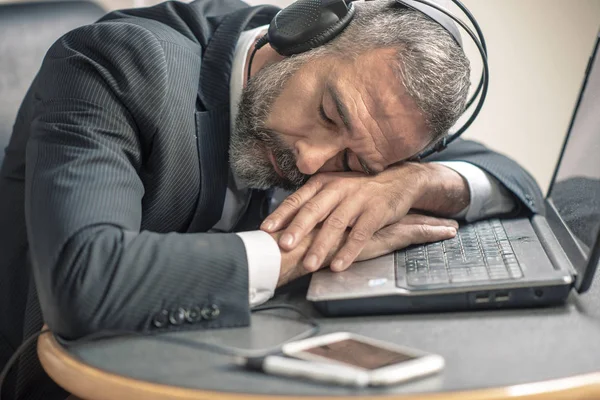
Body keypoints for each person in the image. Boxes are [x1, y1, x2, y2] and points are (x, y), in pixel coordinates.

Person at [0, 0, 544, 398]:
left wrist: (409, 183)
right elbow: (84, 282)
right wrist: (295, 250)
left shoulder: (377, 125)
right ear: (304, 31)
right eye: (330, 115)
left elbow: (510, 176)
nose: (310, 163)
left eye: (353, 162)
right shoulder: (119, 63)